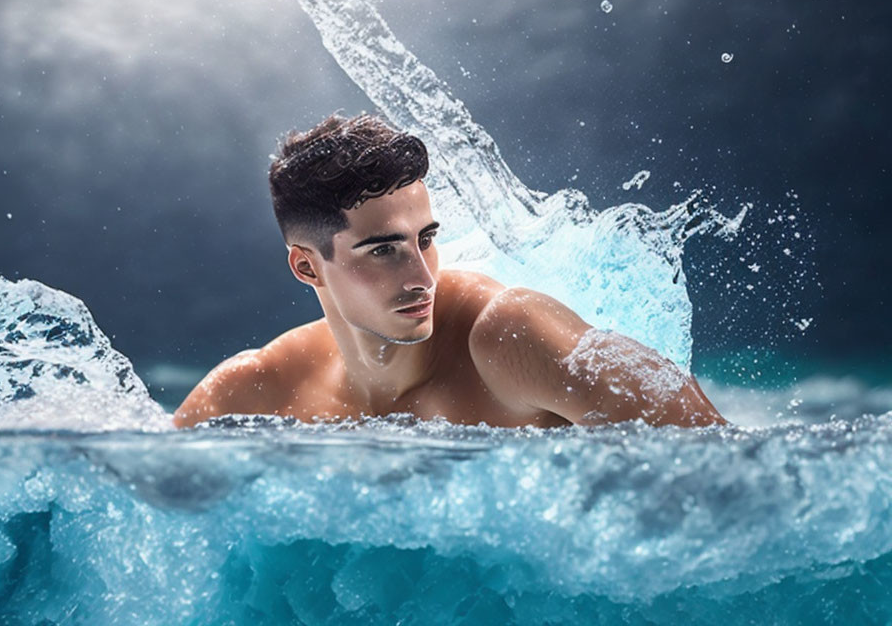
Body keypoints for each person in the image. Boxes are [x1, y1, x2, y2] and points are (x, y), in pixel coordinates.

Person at [173, 114, 726, 429]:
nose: (422, 276)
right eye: (383, 250)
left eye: (427, 239)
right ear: (306, 266)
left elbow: (731, 465)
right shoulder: (256, 390)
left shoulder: (511, 338)